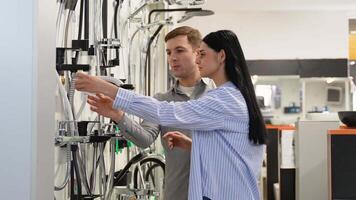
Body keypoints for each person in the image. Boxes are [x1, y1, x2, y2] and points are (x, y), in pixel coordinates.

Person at [75, 30, 266, 200]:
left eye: (202, 54)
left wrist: (108, 89)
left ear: (221, 56)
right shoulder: (232, 96)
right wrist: (194, 145)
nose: (198, 60)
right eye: (168, 52)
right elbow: (230, 151)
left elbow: (165, 111)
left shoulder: (222, 99)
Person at [83, 26, 214, 200]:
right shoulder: (162, 100)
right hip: (178, 194)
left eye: (179, 50)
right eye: (168, 52)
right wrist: (118, 116)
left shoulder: (216, 98)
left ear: (198, 53)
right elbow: (144, 139)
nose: (172, 58)